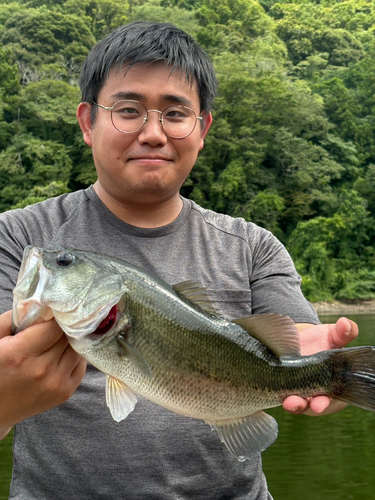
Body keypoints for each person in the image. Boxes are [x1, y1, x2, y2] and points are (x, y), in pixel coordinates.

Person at [0, 21, 358, 499]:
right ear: (88, 122)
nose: (152, 133)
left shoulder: (255, 245)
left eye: (175, 113)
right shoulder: (20, 238)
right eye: (128, 110)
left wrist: (328, 379)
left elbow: (298, 349)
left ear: (202, 127)